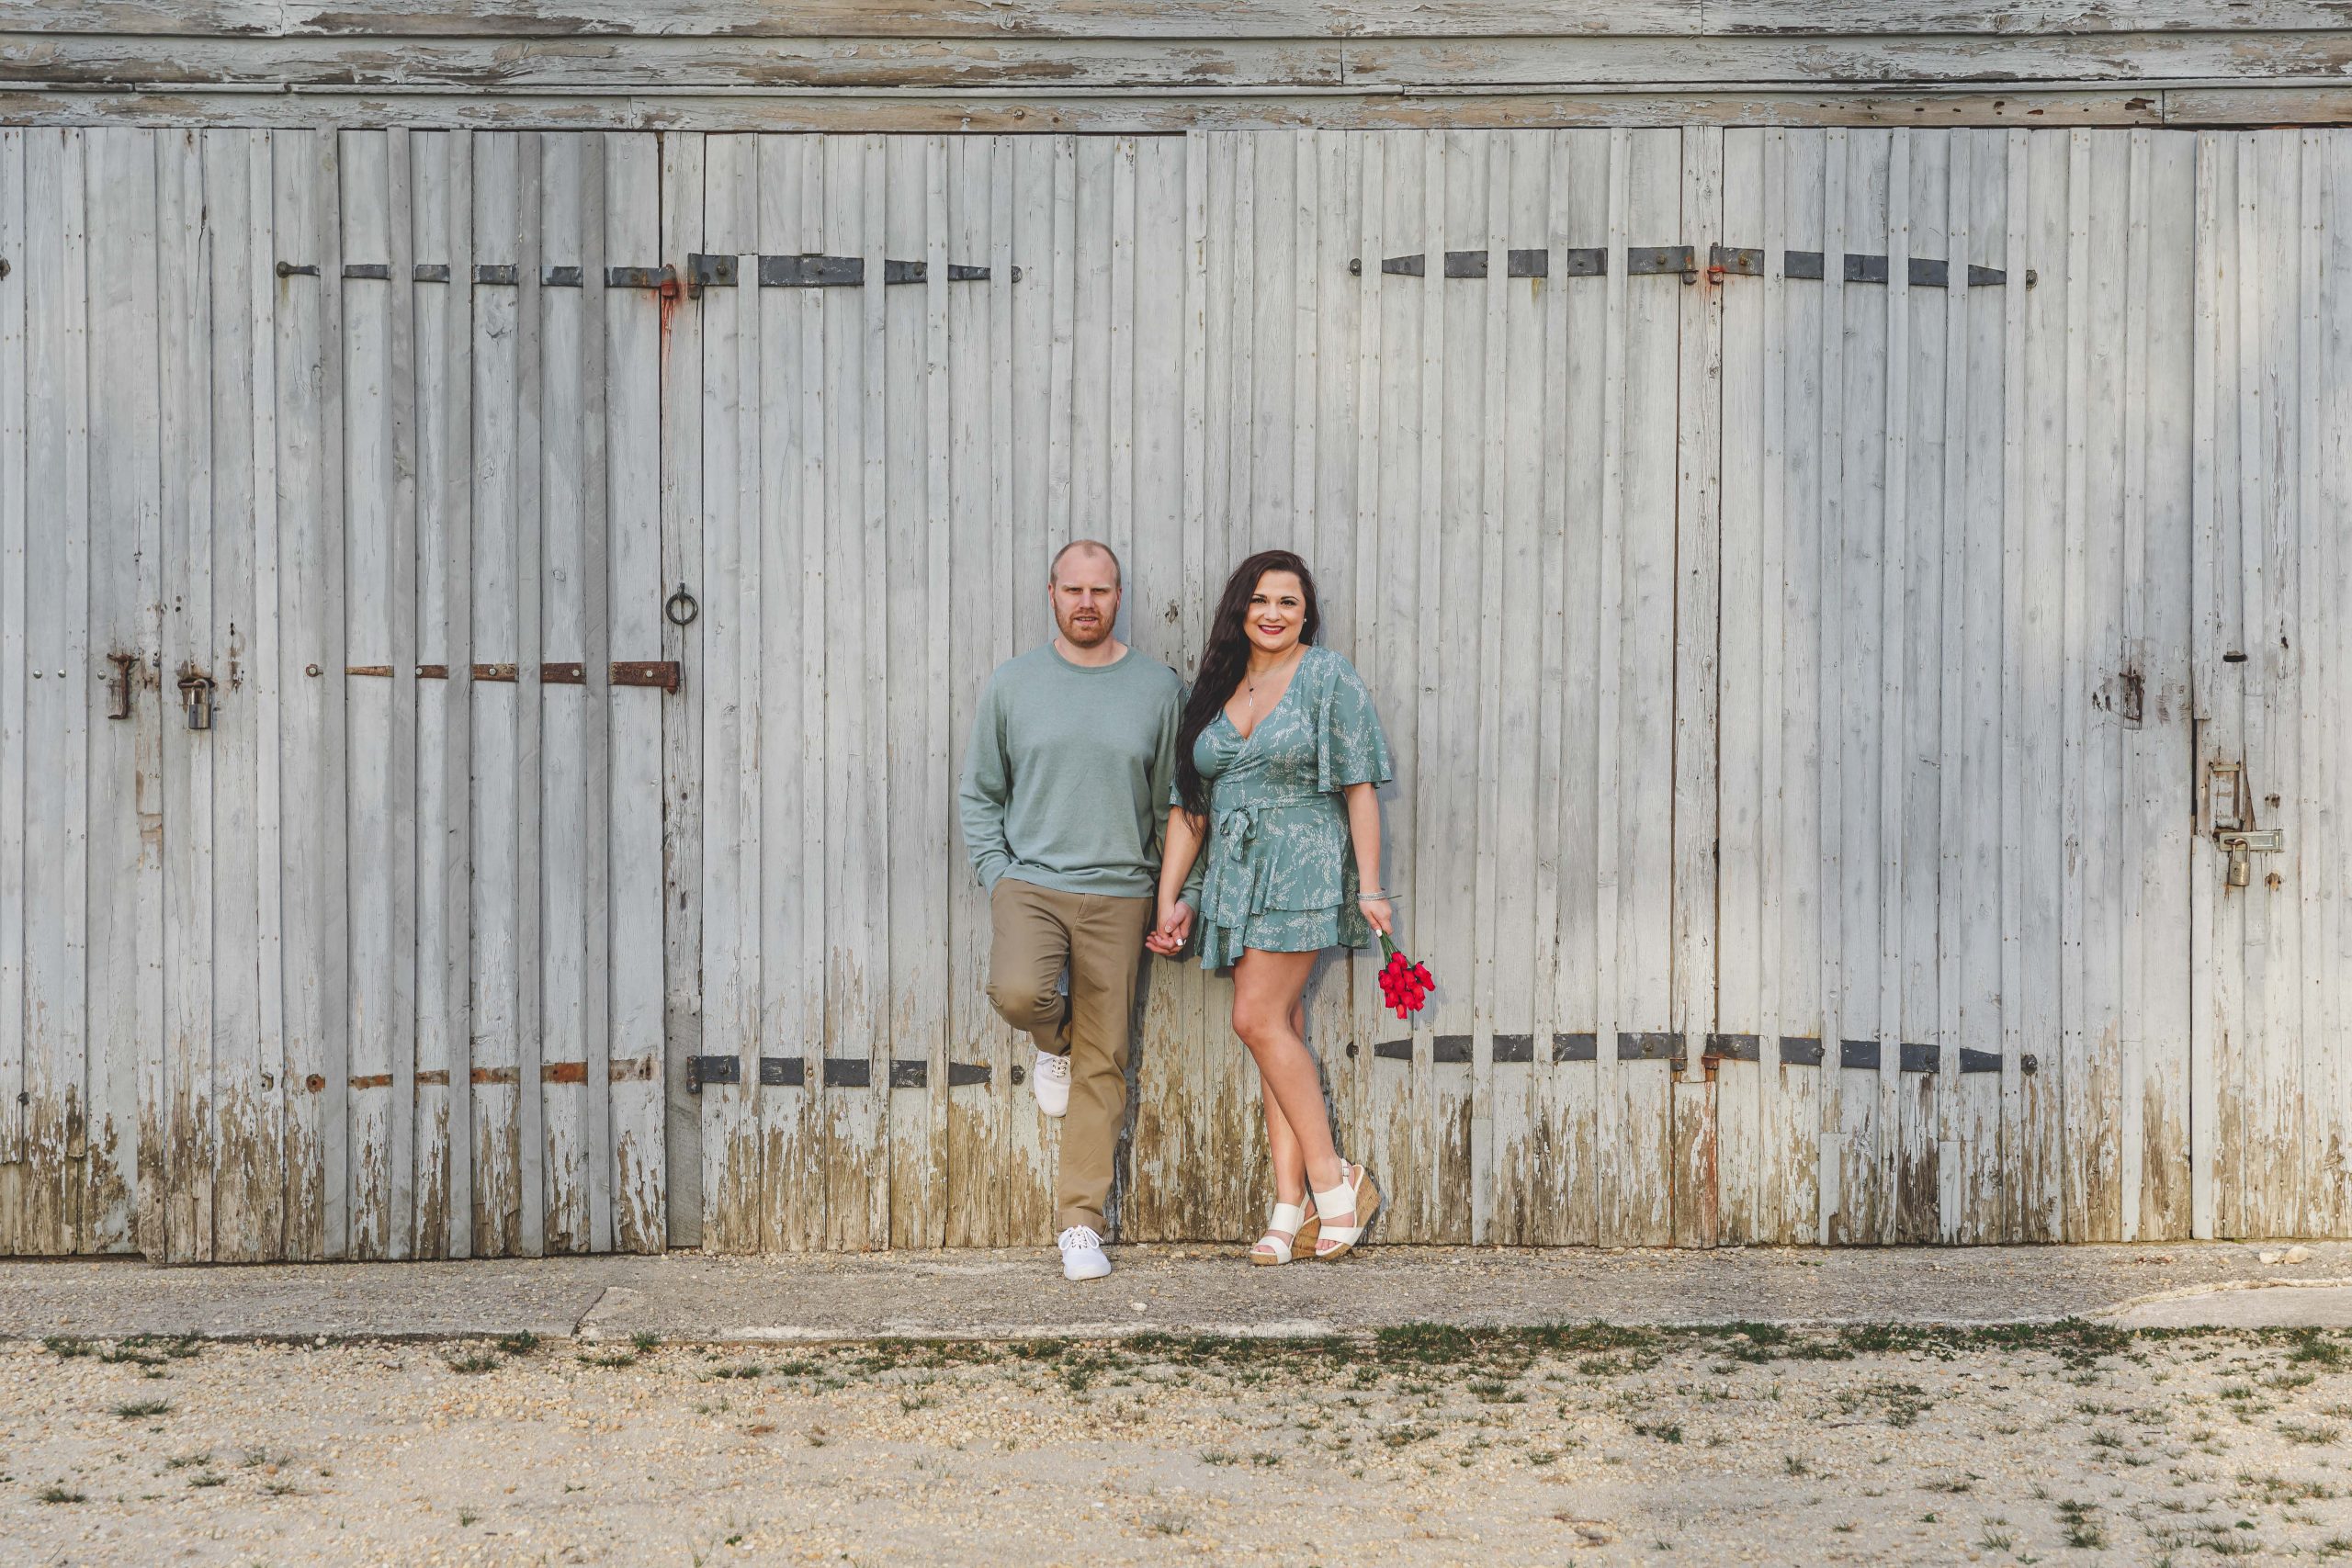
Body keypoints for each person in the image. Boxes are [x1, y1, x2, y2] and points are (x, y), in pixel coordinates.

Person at [1149, 549, 1393, 1264]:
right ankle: (1287, 1209)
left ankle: (1333, 1178)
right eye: (1260, 600)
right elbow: (1189, 806)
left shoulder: (1326, 675)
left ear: (1306, 611)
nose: (1274, 613)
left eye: (1288, 601)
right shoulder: (1219, 686)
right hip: (1235, 875)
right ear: (1240, 610)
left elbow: (1360, 783)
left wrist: (1370, 885)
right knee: (1276, 1030)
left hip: (1303, 867)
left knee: (1254, 1018)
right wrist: (1171, 898)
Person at [957, 539, 1187, 1282]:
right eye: (1073, 589)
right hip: (1031, 880)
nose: (1087, 602)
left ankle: (1079, 1223)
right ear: (1050, 592)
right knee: (1019, 991)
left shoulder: (1157, 687)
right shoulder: (1014, 683)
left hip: (1122, 891)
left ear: (1120, 596)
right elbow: (981, 792)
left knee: (1106, 1058)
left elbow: (1171, 804)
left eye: (1102, 589)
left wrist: (1172, 894)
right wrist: (997, 872)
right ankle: (1051, 1040)